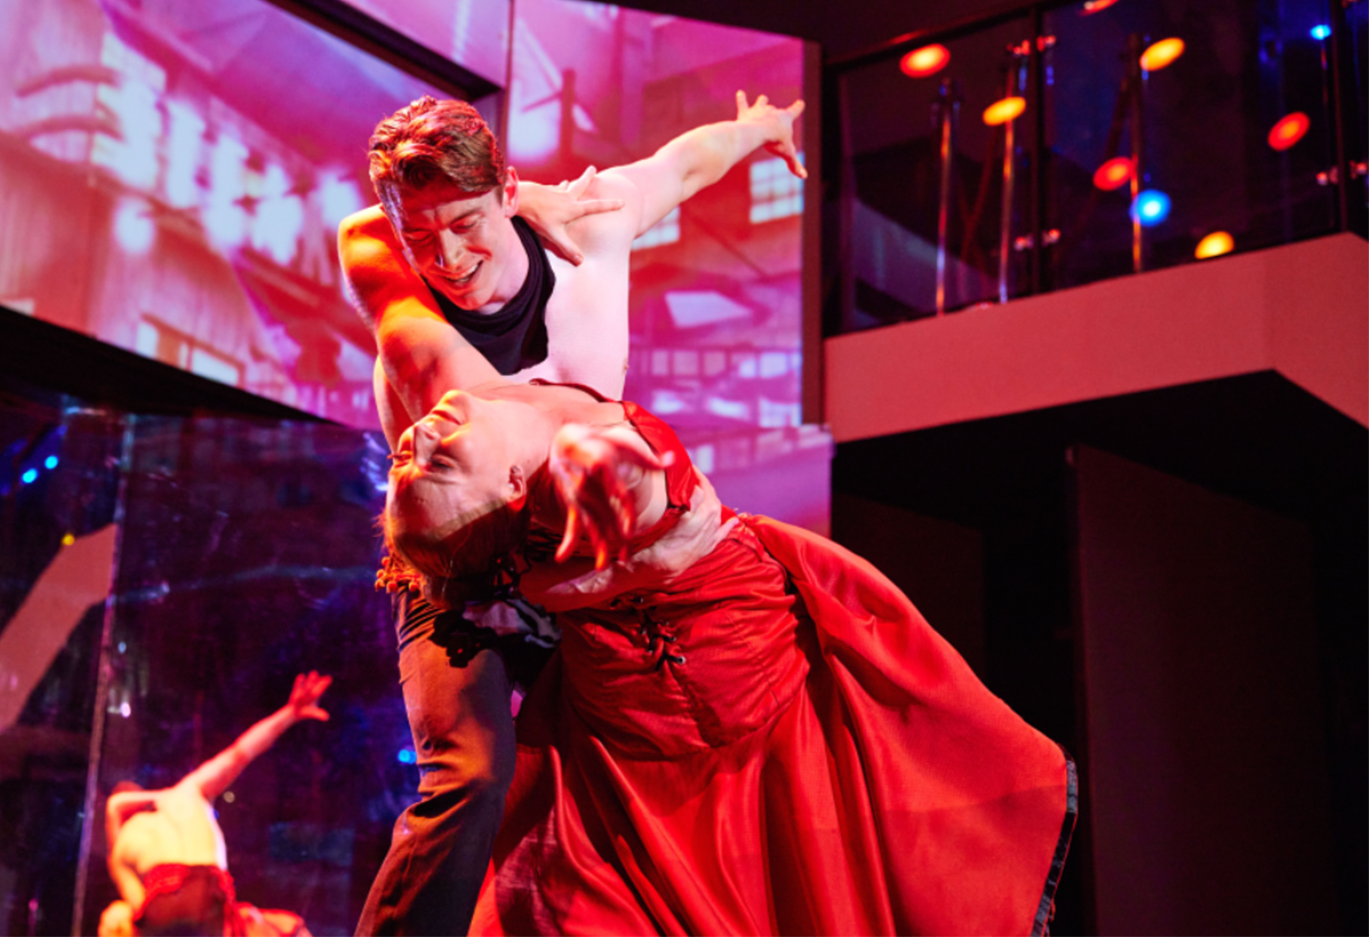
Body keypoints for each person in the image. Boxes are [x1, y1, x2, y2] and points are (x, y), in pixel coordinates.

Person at [342, 91, 807, 935]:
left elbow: (686, 162)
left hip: (586, 555)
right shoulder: (409, 318)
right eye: (420, 234)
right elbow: (362, 239)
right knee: (472, 775)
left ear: (505, 190)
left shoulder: (593, 227)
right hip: (455, 569)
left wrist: (759, 129)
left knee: (631, 781)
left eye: (468, 221)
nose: (446, 256)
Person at [382, 381, 1076, 935]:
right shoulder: (565, 477)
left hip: (737, 700)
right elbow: (615, 479)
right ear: (511, 489)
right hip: (646, 741)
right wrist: (609, 468)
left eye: (404, 460)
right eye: (437, 463)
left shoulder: (454, 378)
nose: (420, 439)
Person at [99, 671, 333, 937]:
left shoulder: (123, 847)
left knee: (118, 920)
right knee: (290, 929)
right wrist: (290, 713)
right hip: (204, 896)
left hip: (161, 913)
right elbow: (241, 752)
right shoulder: (187, 792)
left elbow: (137, 905)